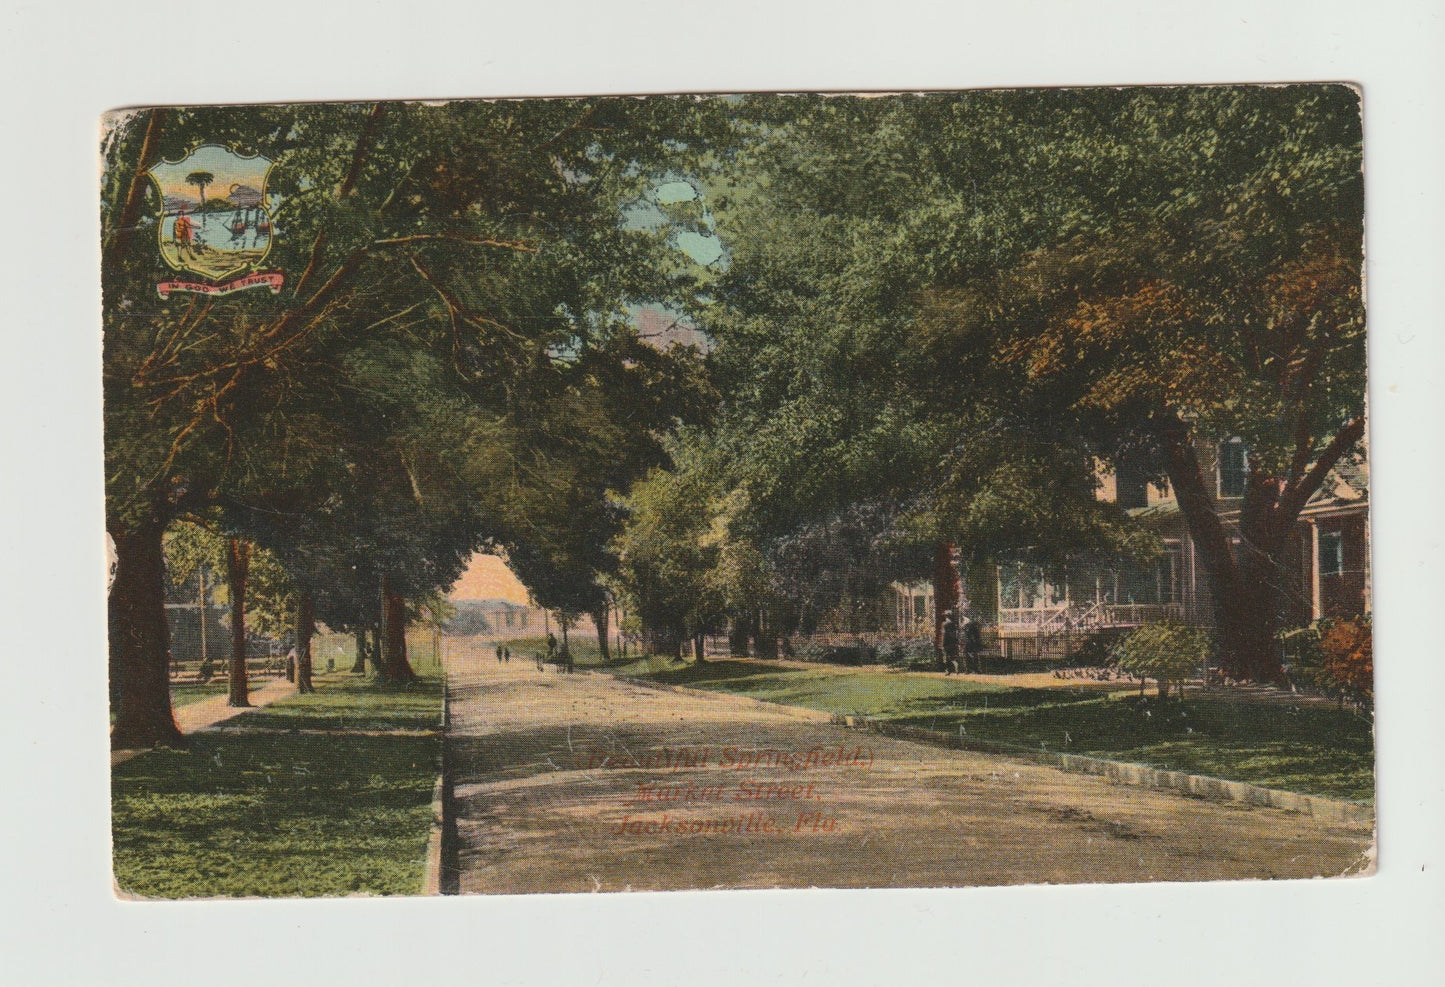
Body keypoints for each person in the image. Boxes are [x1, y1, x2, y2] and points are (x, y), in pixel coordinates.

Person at [941, 611, 960, 675]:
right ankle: (956, 665)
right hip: (953, 642)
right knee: (952, 657)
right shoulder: (954, 624)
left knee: (946, 657)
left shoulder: (945, 624)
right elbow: (955, 634)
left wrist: (943, 644)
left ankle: (948, 670)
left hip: (947, 643)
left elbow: (944, 635)